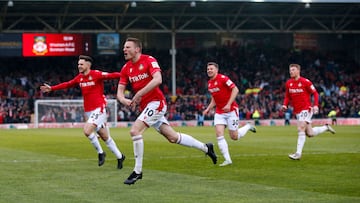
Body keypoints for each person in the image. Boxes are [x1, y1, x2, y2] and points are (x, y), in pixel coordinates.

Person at [117, 37, 217, 185]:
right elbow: (119, 92)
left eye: (128, 47)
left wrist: (139, 94)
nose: (124, 49)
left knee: (135, 131)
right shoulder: (126, 68)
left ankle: (137, 171)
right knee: (173, 138)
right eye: (124, 47)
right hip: (146, 107)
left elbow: (158, 79)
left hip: (157, 103)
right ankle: (206, 148)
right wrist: (123, 100)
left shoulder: (149, 60)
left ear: (137, 49)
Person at [40, 55, 125, 169]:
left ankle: (100, 153)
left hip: (98, 108)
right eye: (78, 64)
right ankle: (120, 157)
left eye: (81, 64)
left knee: (87, 131)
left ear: (88, 65)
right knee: (105, 137)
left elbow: (112, 75)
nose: (79, 66)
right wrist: (52, 88)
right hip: (89, 111)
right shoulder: (79, 78)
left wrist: (127, 75)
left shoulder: (96, 74)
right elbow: (67, 84)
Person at [203, 62, 256, 167]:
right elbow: (214, 98)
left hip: (231, 110)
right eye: (208, 69)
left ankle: (248, 126)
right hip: (219, 112)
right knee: (219, 134)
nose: (209, 70)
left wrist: (228, 104)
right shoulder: (209, 83)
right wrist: (208, 108)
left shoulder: (223, 78)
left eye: (211, 69)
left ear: (216, 70)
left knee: (234, 137)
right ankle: (228, 160)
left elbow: (235, 89)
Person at [282, 63, 336, 160]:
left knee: (300, 128)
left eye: (293, 70)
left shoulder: (305, 82)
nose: (291, 72)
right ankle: (326, 127)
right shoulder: (288, 83)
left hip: (306, 109)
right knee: (310, 133)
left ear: (298, 71)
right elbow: (287, 96)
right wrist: (285, 105)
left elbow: (315, 93)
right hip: (297, 111)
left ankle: (298, 154)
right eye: (290, 70)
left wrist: (315, 105)